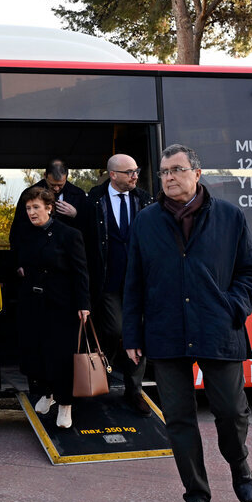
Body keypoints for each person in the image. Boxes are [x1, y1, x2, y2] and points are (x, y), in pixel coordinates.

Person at [123, 144, 252, 502]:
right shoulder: (147, 221)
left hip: (217, 329)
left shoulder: (230, 217)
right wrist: (132, 333)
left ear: (197, 173)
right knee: (179, 421)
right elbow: (133, 281)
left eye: (177, 170)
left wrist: (232, 308)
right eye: (164, 171)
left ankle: (238, 461)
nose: (169, 177)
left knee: (232, 412)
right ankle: (197, 499)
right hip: (166, 332)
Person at [82, 154, 154, 416]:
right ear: (113, 175)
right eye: (129, 172)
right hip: (108, 282)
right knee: (113, 330)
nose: (135, 175)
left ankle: (134, 392)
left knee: (140, 335)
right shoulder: (94, 201)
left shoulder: (145, 200)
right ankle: (105, 375)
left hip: (140, 282)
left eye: (137, 170)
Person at [13, 186, 91, 429]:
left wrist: (83, 304)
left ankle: (66, 404)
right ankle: (47, 393)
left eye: (36, 207)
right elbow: (21, 260)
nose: (32, 212)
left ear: (49, 208)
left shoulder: (69, 234)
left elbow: (81, 272)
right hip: (33, 302)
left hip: (62, 304)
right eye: (28, 208)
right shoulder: (26, 234)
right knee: (35, 351)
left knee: (61, 356)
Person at [9, 159, 86, 247]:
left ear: (66, 177)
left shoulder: (78, 194)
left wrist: (75, 215)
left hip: (67, 250)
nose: (56, 189)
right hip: (37, 248)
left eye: (60, 185)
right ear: (45, 176)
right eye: (52, 185)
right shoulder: (29, 194)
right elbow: (18, 227)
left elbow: (88, 227)